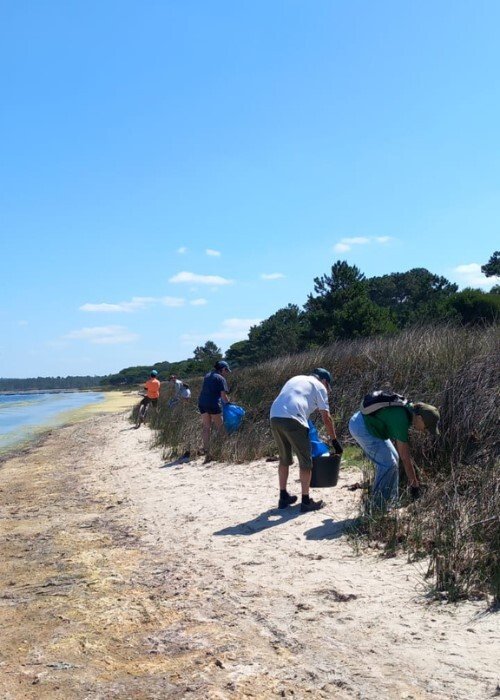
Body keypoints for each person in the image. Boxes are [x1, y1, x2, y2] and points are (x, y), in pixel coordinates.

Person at [270, 368, 342, 513]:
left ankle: (283, 497)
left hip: (274, 416)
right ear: (324, 381)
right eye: (328, 386)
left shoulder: (296, 378)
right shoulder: (320, 386)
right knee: (306, 461)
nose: (327, 390)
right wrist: (334, 441)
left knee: (284, 459)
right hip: (293, 418)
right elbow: (326, 418)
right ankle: (306, 501)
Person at [348, 399, 440, 509]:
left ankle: (391, 502)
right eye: (426, 427)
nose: (425, 431)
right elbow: (405, 458)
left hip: (369, 424)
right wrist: (415, 486)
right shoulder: (402, 418)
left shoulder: (408, 410)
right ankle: (378, 506)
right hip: (361, 427)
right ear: (420, 418)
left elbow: (401, 456)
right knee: (388, 464)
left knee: (394, 459)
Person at [198, 360, 231, 461]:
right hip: (213, 404)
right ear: (223, 369)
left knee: (206, 427)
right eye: (226, 371)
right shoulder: (221, 378)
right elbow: (224, 397)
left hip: (202, 402)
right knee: (220, 427)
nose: (227, 373)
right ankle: (225, 447)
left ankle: (206, 448)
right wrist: (230, 404)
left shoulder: (207, 375)